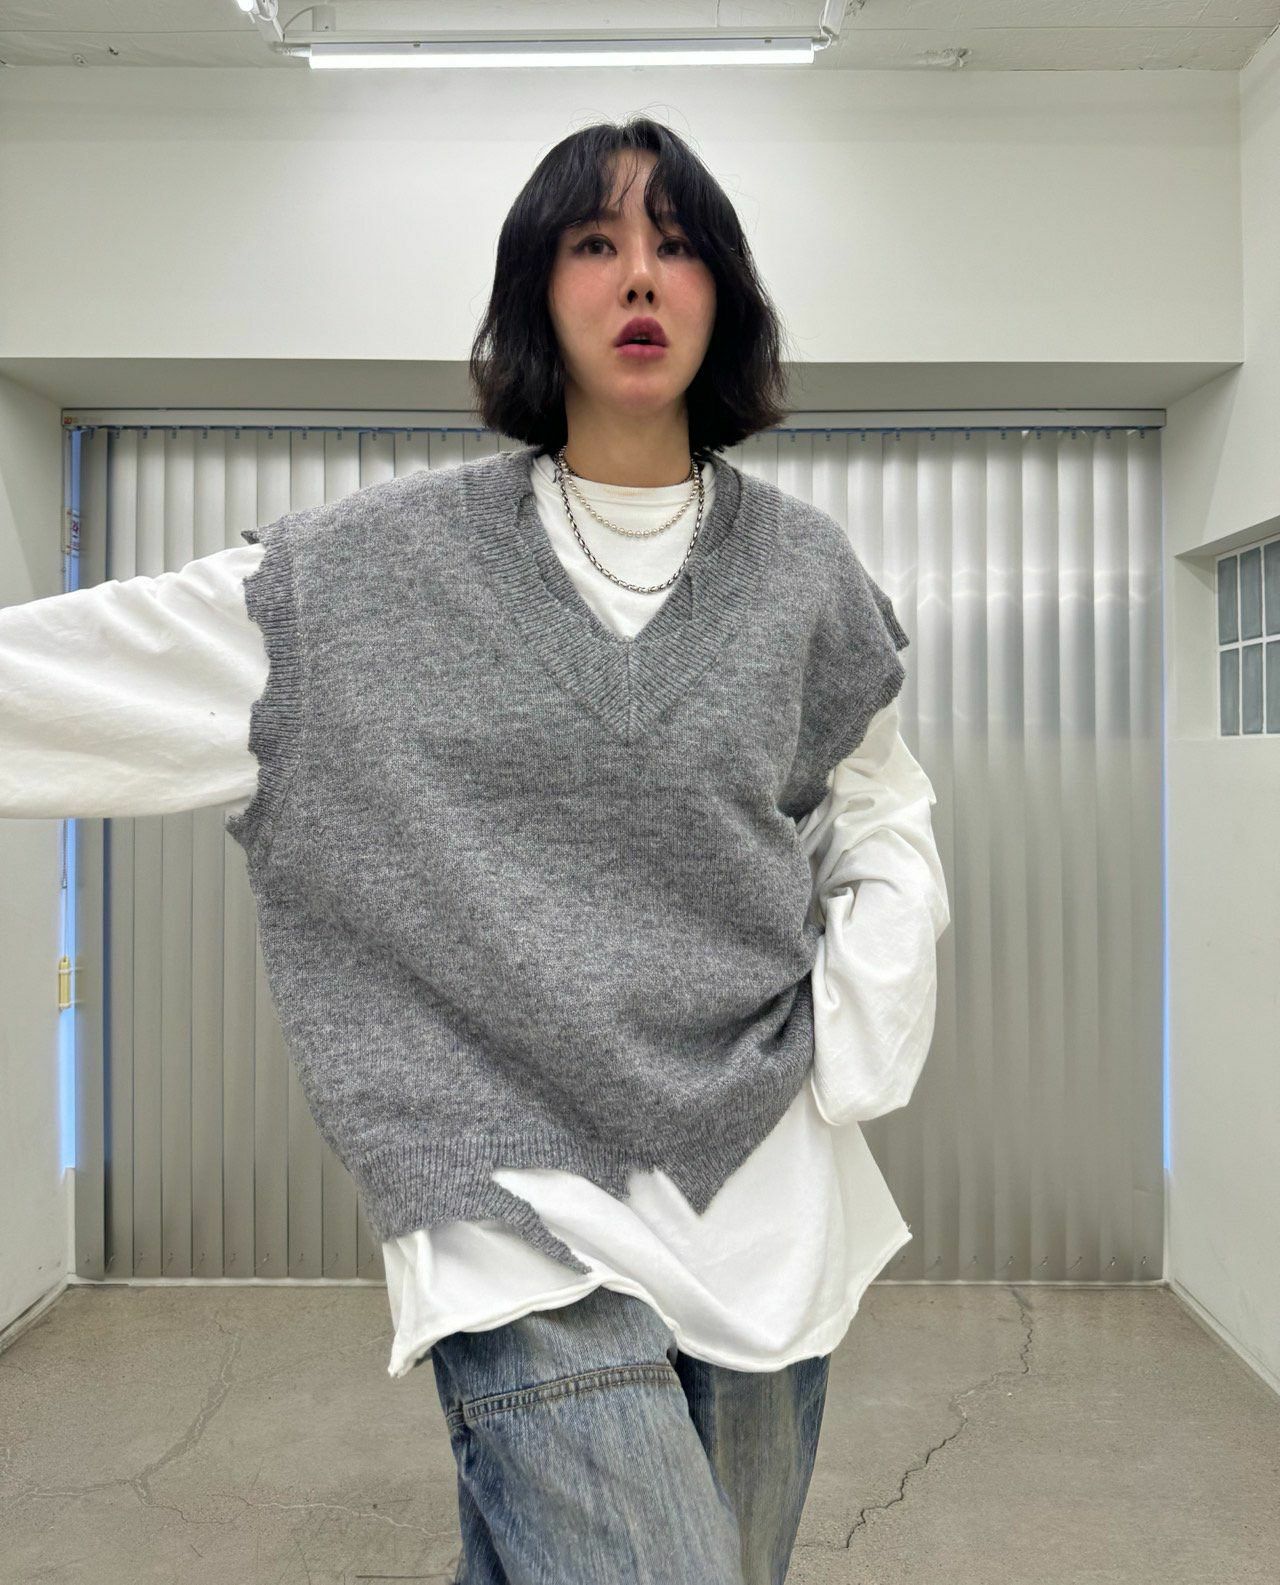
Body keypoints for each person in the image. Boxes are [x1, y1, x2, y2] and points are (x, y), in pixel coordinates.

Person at [0, 117, 949, 1584]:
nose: (641, 276)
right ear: (537, 292)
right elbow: (116, 666)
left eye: (677, 244)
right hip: (507, 1189)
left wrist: (868, 1008)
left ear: (724, 292)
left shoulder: (806, 575)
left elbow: (874, 801)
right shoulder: (380, 571)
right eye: (595, 243)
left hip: (761, 1183)